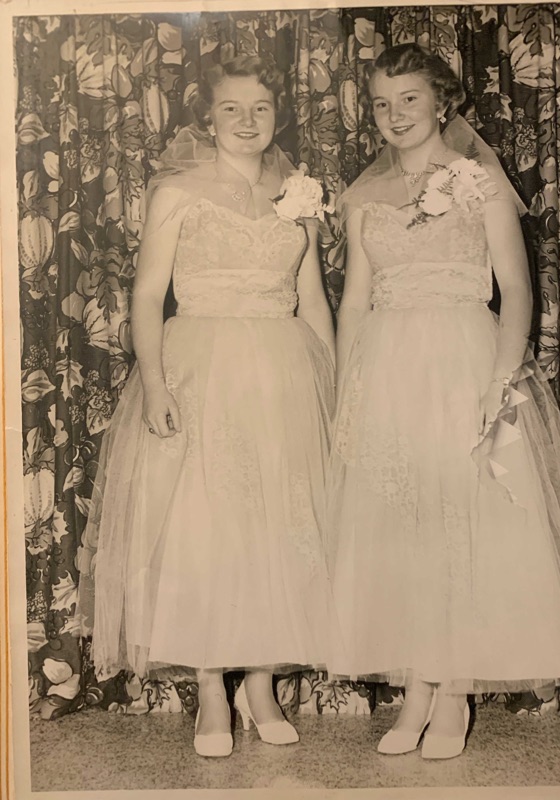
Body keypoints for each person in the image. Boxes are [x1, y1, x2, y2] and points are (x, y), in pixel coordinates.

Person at [326, 43, 560, 759]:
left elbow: (514, 290)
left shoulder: (476, 181)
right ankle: (416, 688)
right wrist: (345, 389)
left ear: (441, 102)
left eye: (410, 99)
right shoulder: (363, 197)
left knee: (462, 524)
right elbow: (355, 300)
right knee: (404, 530)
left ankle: (453, 690)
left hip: (462, 361)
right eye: (382, 103)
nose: (395, 115)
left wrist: (498, 380)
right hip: (385, 370)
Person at [78, 55, 336, 758]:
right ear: (208, 119)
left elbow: (312, 299)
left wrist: (332, 388)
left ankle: (261, 684)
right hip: (201, 369)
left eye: (260, 108)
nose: (247, 121)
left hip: (282, 373)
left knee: (276, 526)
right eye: (231, 108)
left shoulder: (299, 194)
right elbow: (145, 294)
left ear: (277, 116)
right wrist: (155, 383)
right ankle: (212, 688)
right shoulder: (177, 192)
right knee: (206, 526)